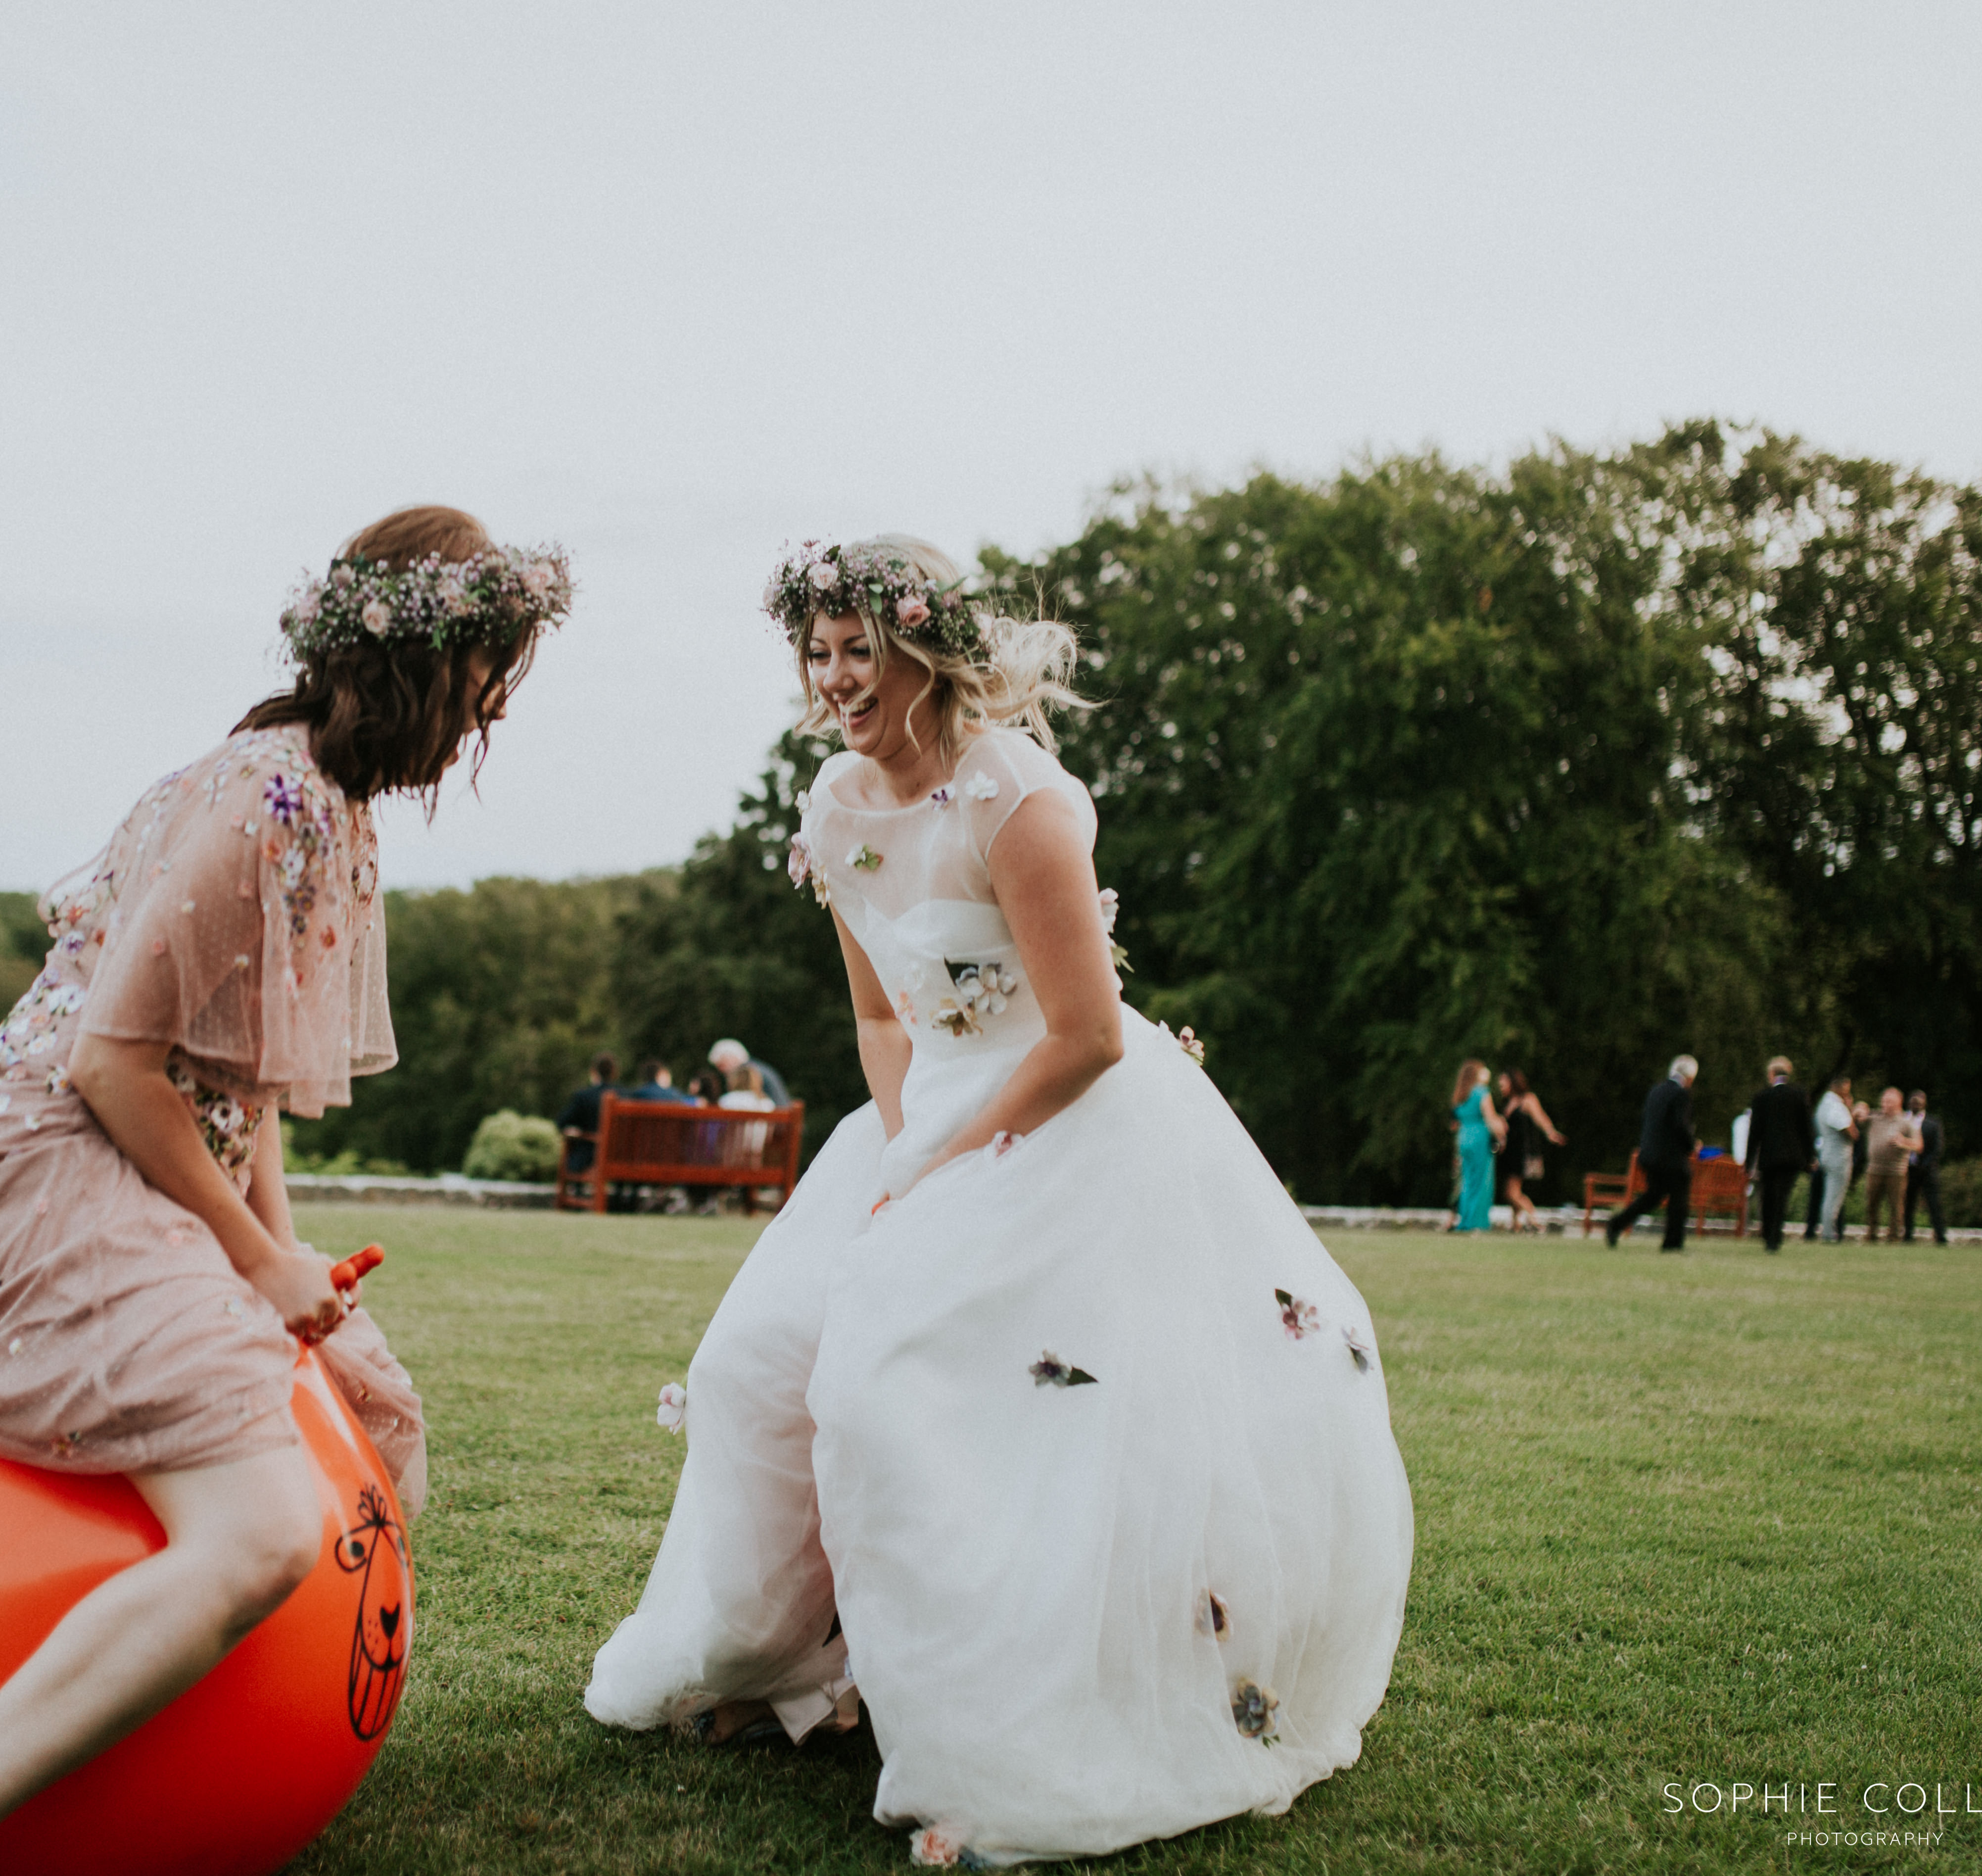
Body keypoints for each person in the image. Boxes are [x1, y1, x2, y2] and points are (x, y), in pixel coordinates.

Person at [585, 535, 1411, 1868]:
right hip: (916, 1123)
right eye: (818, 650)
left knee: (894, 1383)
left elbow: (1082, 1029)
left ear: (923, 648)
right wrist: (904, 1148)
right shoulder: (832, 807)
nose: (834, 675)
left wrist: (958, 1163)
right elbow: (874, 1012)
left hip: (1063, 1119)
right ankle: (773, 1652)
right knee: (751, 1360)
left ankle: (987, 1722)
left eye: (859, 647)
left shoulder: (1018, 798)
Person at [0, 505, 567, 1876]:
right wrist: (248, 1261)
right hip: (50, 1158)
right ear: (439, 667)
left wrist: (286, 1248)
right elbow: (113, 1062)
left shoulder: (327, 802)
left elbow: (237, 1078)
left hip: (141, 1151)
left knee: (379, 1409)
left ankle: (247, 1737)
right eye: (496, 675)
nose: (497, 710)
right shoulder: (263, 799)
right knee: (263, 1531)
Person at [1605, 1055, 1699, 1252]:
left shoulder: (1656, 1091)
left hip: (1650, 1154)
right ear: (1690, 1077)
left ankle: (1617, 1224)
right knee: (1679, 1198)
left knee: (1653, 1196)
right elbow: (1679, 1125)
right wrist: (1692, 1145)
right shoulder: (1681, 1094)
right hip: (1671, 1157)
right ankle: (1672, 1243)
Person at [1744, 1056, 1814, 1252]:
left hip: (1769, 1157)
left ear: (1771, 1075)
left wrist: (1749, 1162)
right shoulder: (1799, 1096)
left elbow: (1754, 1132)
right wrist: (1811, 1158)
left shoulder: (1762, 1097)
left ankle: (1768, 1235)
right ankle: (1775, 1237)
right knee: (1782, 1196)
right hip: (1792, 1157)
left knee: (1768, 1196)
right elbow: (1807, 1130)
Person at [1493, 1068, 1565, 1232]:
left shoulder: (1528, 1099)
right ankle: (1516, 1224)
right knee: (1511, 1191)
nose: (1501, 1087)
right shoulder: (1506, 1103)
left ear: (1513, 1082)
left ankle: (1535, 1219)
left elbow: (1540, 1118)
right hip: (1510, 1153)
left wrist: (1551, 1132)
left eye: (1503, 1083)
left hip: (1523, 1153)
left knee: (1511, 1193)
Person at [1449, 1058, 1503, 1231]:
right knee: (1481, 1182)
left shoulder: (1460, 1095)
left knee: (1467, 1182)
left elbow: (1454, 1123)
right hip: (1479, 1137)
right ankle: (1477, 1223)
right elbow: (1490, 1119)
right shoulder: (1481, 1092)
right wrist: (1501, 1136)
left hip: (1463, 1138)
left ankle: (1465, 1221)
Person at [557, 1051, 623, 1182]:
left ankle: (577, 1194)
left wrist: (577, 1132)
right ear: (615, 1072)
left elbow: (561, 1123)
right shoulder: (627, 1096)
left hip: (591, 1156)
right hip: (621, 1157)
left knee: (576, 1151)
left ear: (594, 1072)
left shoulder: (585, 1096)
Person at [1861, 1088, 1916, 1242]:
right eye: (1884, 1101)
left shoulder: (1906, 1122)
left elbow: (1919, 1145)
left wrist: (1903, 1142)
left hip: (1897, 1171)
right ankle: (1871, 1235)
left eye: (1890, 1102)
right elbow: (1859, 1117)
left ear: (1899, 1103)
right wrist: (1860, 1109)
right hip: (1874, 1169)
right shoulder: (1875, 1118)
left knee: (1896, 1206)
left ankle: (1893, 1237)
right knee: (1871, 1204)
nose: (1886, 1105)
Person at [1807, 1073, 1857, 1242]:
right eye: (1847, 1088)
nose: (1848, 1092)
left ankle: (1829, 1232)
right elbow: (1849, 1131)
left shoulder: (1824, 1104)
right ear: (1840, 1087)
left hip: (1827, 1154)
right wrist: (1850, 1112)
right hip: (1838, 1156)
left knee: (1830, 1196)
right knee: (1833, 1198)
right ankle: (1829, 1234)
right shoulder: (1835, 1106)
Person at [1902, 1090, 1948, 1244]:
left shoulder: (1933, 1123)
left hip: (1927, 1170)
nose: (1916, 1105)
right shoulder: (1902, 1120)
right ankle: (1908, 1234)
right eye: (1914, 1102)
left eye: (1919, 1102)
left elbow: (1937, 1148)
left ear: (1924, 1104)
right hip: (1906, 1168)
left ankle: (1940, 1235)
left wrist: (1925, 1163)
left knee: (1933, 1203)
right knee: (1908, 1203)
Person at [707, 1037, 790, 1108]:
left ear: (731, 1059)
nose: (722, 1071)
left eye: (722, 1065)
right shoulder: (758, 1068)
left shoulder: (751, 1073)